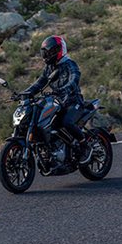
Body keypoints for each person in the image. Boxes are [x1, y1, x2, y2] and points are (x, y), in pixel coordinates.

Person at [23, 35, 91, 165]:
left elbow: (74, 79)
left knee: (67, 122)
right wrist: (25, 93)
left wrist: (65, 89)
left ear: (59, 50)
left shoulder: (69, 64)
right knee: (44, 122)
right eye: (45, 52)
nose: (47, 55)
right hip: (57, 103)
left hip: (73, 102)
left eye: (50, 52)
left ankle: (84, 146)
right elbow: (39, 83)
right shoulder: (49, 68)